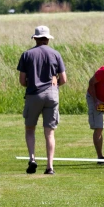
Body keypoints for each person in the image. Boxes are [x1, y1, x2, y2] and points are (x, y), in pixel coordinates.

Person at [17, 25, 67, 175]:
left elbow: (22, 81)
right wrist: (54, 83)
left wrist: (33, 83)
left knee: (30, 128)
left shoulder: (27, 55)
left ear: (36, 38)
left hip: (34, 94)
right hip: (52, 94)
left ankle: (32, 158)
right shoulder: (56, 54)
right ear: (48, 39)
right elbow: (63, 79)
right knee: (49, 132)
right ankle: (49, 166)